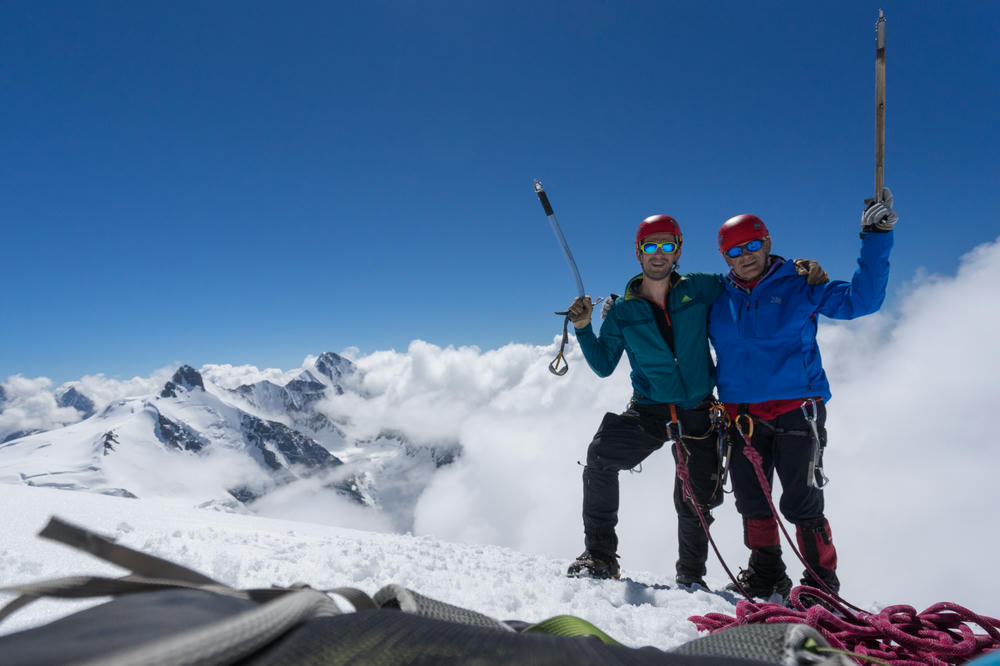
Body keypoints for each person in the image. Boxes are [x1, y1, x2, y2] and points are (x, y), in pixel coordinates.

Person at [562, 215, 826, 585]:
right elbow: (604, 365)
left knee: (694, 498)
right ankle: (601, 556)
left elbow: (748, 277)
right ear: (638, 252)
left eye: (667, 245)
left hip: (699, 407)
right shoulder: (622, 311)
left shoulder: (700, 289)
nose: (659, 254)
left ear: (679, 250)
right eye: (650, 246)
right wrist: (583, 328)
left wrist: (793, 268)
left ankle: (690, 576)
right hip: (650, 409)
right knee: (600, 458)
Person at [707, 189, 897, 600]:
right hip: (742, 417)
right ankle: (766, 574)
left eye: (753, 245)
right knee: (752, 501)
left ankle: (821, 584)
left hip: (798, 412)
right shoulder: (717, 300)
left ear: (768, 242)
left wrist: (876, 237)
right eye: (735, 251)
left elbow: (862, 302)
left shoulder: (800, 284)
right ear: (725, 257)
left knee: (801, 503)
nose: (746, 256)